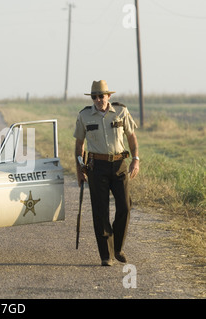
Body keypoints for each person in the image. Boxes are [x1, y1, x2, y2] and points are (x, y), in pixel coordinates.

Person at [73, 80, 140, 266]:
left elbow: (131, 136)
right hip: (96, 167)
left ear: (108, 96)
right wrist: (79, 169)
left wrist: (136, 159)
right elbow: (79, 144)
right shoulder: (85, 116)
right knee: (100, 211)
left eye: (101, 96)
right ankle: (106, 255)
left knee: (125, 207)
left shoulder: (121, 112)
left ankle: (117, 247)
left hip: (120, 165)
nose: (97, 100)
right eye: (94, 97)